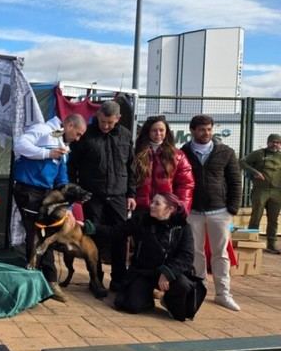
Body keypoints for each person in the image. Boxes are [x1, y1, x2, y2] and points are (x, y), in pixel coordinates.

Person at [13, 113, 87, 302]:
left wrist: (68, 208)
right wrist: (47, 154)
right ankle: (40, 283)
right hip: (28, 189)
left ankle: (48, 281)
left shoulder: (63, 145)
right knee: (35, 233)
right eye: (78, 134)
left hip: (46, 194)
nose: (78, 139)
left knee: (46, 235)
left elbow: (62, 179)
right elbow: (20, 145)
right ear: (69, 125)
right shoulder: (43, 130)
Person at [94, 193, 202, 321]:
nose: (151, 205)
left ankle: (168, 300)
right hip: (143, 271)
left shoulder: (182, 227)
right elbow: (116, 231)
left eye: (157, 204)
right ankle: (146, 297)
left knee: (181, 309)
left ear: (170, 208)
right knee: (130, 305)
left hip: (169, 275)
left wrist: (167, 273)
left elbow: (186, 256)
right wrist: (92, 228)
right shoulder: (142, 220)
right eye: (152, 202)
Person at [68, 100, 136, 291]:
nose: (106, 126)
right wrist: (76, 191)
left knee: (120, 237)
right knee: (93, 237)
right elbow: (72, 165)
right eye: (103, 122)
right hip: (93, 195)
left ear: (118, 119)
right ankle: (95, 278)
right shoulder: (86, 135)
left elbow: (131, 166)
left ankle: (118, 279)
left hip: (118, 195)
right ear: (97, 116)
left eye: (110, 123)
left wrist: (131, 193)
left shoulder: (125, 135)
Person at [181, 114, 242, 311]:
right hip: (193, 212)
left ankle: (223, 294)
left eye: (209, 129)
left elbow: (235, 181)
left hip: (220, 211)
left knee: (221, 253)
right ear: (192, 130)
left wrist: (232, 208)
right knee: (195, 252)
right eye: (201, 129)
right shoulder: (183, 152)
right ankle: (199, 290)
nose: (206, 133)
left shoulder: (226, 152)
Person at [133, 115, 194, 212]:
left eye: (161, 130)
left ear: (166, 132)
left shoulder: (177, 155)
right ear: (148, 131)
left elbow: (185, 184)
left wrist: (182, 208)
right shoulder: (136, 153)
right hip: (140, 209)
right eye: (154, 130)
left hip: (165, 210)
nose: (158, 133)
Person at [240, 133, 281, 254]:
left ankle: (271, 245)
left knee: (273, 219)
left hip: (277, 192)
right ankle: (251, 241)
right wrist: (254, 172)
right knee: (256, 216)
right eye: (273, 142)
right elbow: (242, 162)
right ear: (268, 142)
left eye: (278, 142)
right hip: (260, 190)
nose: (275, 144)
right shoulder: (259, 154)